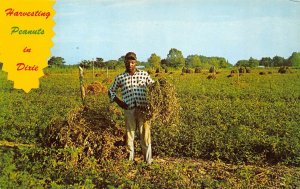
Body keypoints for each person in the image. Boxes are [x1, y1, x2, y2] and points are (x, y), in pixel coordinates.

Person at [108, 52, 154, 164]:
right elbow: (110, 91)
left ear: (136, 63)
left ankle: (148, 161)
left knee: (145, 136)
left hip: (143, 109)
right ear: (124, 63)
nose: (130, 65)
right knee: (130, 135)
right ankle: (129, 161)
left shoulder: (144, 74)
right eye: (128, 62)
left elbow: (154, 87)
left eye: (132, 62)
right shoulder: (120, 77)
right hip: (129, 110)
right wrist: (119, 102)